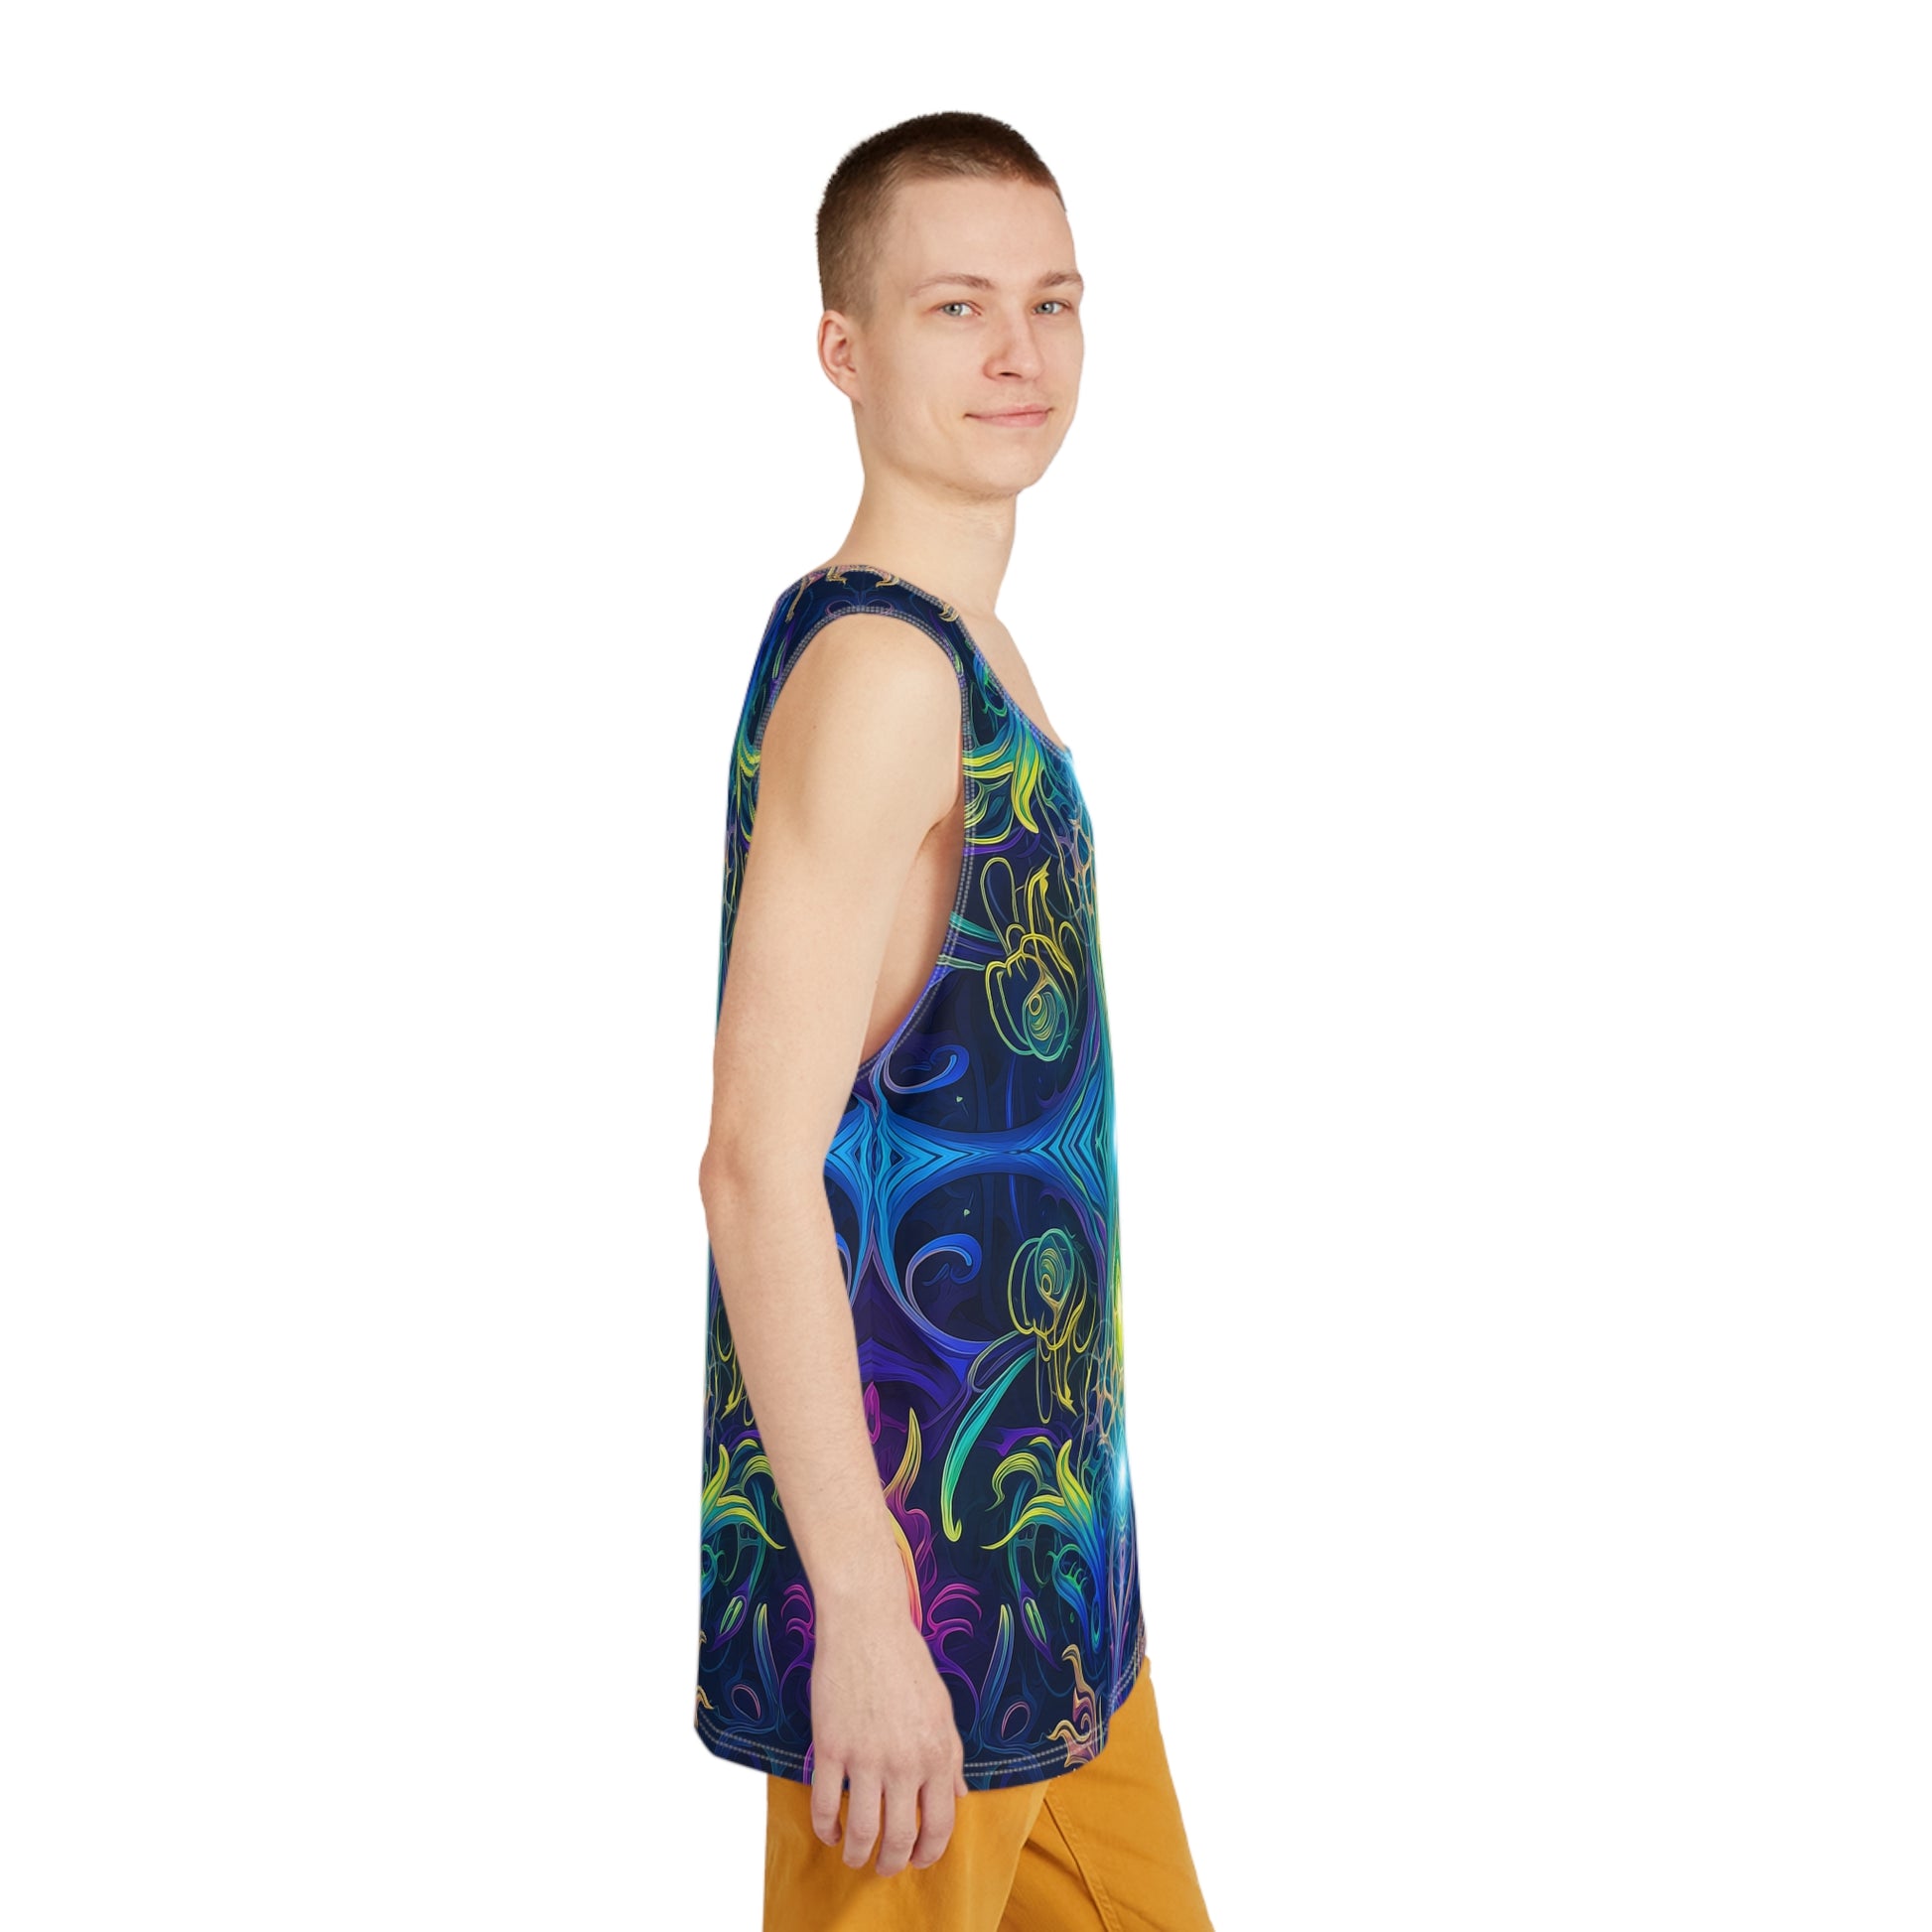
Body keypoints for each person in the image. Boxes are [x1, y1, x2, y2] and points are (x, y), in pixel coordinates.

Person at [694, 111, 1215, 1930]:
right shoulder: (883, 675)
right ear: (842, 349)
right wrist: (862, 1609)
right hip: (925, 1601)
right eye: (955, 306)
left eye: (1050, 301)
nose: (1018, 350)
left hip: (1052, 1574)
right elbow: (752, 1165)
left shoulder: (968, 648)